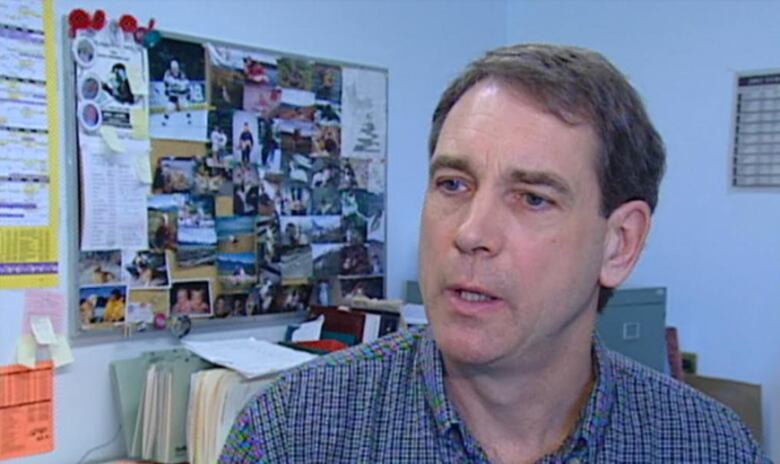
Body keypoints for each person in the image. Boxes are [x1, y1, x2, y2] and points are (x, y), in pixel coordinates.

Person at [222, 43, 770, 463]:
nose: (470, 232)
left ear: (619, 243)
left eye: (533, 197)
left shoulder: (709, 447)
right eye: (453, 185)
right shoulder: (295, 430)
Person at [162, 59, 192, 126]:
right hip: (173, 95)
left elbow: (186, 83)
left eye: (176, 68)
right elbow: (167, 81)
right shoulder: (168, 73)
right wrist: (177, 84)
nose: (175, 69)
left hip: (181, 95)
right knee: (169, 108)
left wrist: (184, 88)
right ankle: (165, 121)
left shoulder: (182, 74)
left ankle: (189, 120)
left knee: (186, 106)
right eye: (173, 68)